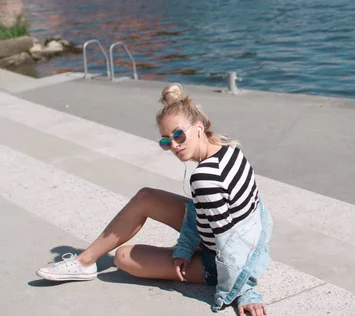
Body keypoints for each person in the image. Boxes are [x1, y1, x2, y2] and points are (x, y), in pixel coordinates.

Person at [36, 83, 273, 316]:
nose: (174, 145)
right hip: (250, 235)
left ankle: (86, 263)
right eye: (166, 141)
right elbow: (204, 210)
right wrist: (184, 248)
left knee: (123, 258)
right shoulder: (225, 145)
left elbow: (227, 243)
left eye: (179, 135)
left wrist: (244, 290)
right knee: (145, 197)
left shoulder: (205, 177)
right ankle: (84, 262)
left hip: (231, 257)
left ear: (198, 127)